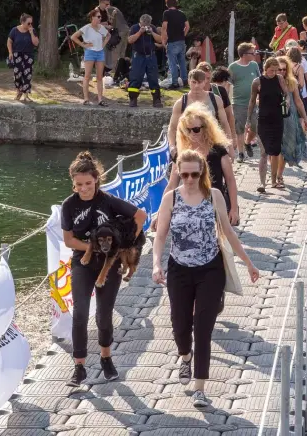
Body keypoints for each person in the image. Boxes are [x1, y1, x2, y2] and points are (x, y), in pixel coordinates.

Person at [152, 148, 258, 408]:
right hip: (179, 269)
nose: (189, 179)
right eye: (184, 174)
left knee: (203, 327)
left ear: (202, 173)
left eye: (194, 174)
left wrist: (248, 262)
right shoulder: (170, 199)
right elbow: (161, 235)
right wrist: (156, 264)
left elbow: (228, 232)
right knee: (179, 324)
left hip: (210, 269)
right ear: (178, 172)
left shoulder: (214, 196)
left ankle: (200, 386)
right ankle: (185, 356)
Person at [62, 151, 147, 386]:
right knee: (79, 313)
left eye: (88, 183)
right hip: (83, 261)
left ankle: (106, 358)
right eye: (79, 184)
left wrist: (128, 242)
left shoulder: (108, 200)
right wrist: (92, 248)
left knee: (104, 314)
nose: (84, 188)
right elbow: (68, 240)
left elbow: (140, 215)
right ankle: (79, 366)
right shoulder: (69, 205)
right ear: (73, 183)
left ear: (96, 180)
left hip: (110, 264)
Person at [161, 104, 239, 226]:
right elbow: (171, 185)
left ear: (205, 128)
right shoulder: (181, 154)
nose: (192, 133)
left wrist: (234, 209)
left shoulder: (218, 152)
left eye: (196, 129)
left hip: (215, 205)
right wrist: (160, 214)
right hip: (189, 208)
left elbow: (230, 181)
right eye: (188, 130)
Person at [167, 69, 235, 160]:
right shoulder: (181, 103)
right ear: (188, 82)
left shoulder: (215, 99)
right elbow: (172, 127)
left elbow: (224, 124)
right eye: (193, 82)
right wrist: (172, 146)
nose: (196, 86)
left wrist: (229, 147)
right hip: (189, 147)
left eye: (199, 82)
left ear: (204, 82)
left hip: (212, 145)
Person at [247, 57, 291, 191]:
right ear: (265, 69)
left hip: (278, 119)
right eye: (271, 70)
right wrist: (248, 119)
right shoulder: (257, 82)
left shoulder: (279, 79)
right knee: (263, 152)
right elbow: (252, 101)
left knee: (276, 151)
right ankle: (262, 183)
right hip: (263, 120)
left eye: (276, 70)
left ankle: (273, 180)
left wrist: (287, 101)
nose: (274, 73)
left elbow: (286, 93)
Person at [277, 57, 307, 186]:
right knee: (275, 148)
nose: (282, 72)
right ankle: (276, 174)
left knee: (286, 147)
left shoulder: (292, 82)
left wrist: (305, 118)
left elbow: (298, 101)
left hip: (289, 118)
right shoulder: (268, 81)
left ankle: (279, 175)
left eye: (284, 69)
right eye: (279, 69)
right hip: (273, 117)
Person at [228, 42, 262, 163]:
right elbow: (228, 84)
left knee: (256, 126)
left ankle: (247, 142)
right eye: (252, 53)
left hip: (254, 102)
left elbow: (260, 80)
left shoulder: (254, 65)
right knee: (239, 128)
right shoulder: (233, 67)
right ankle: (241, 153)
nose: (254, 55)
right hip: (238, 103)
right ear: (243, 54)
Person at [72, 9, 110, 106]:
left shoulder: (101, 28)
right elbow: (73, 37)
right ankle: (86, 99)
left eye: (100, 17)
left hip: (100, 52)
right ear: (92, 17)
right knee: (87, 75)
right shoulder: (86, 28)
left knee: (99, 77)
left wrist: (103, 44)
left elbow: (108, 35)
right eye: (98, 16)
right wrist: (83, 45)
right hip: (90, 52)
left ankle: (100, 99)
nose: (100, 18)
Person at [197, 62, 236, 154]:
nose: (206, 81)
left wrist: (233, 137)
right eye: (203, 78)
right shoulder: (193, 93)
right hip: (198, 135)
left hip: (217, 135)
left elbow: (229, 115)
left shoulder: (219, 91)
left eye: (208, 78)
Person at [126, 14, 163, 108]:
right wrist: (140, 32)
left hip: (151, 56)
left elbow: (160, 40)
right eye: (144, 23)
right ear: (140, 22)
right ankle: (133, 99)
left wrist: (152, 33)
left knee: (153, 78)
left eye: (148, 24)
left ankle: (156, 100)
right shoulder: (134, 28)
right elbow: (130, 40)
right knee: (136, 77)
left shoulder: (152, 28)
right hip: (138, 56)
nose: (146, 25)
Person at [7, 13, 38, 102]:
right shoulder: (14, 30)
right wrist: (10, 53)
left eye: (31, 23)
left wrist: (31, 33)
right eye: (28, 23)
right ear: (23, 22)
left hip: (28, 56)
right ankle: (18, 92)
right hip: (17, 55)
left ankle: (26, 95)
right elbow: (9, 42)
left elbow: (36, 43)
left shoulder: (32, 30)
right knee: (17, 75)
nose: (30, 25)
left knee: (27, 75)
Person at [161, 0, 190, 89]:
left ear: (167, 4)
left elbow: (164, 27)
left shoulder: (166, 13)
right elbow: (188, 26)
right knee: (182, 62)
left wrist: (163, 41)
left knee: (172, 63)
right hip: (181, 41)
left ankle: (175, 83)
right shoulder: (182, 14)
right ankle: (185, 81)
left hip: (172, 41)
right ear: (176, 4)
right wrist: (183, 35)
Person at [98, 0, 129, 71]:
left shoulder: (107, 9)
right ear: (101, 3)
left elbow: (110, 23)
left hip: (119, 32)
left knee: (116, 51)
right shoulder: (100, 10)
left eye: (108, 4)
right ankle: (120, 70)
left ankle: (114, 71)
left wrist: (107, 25)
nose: (107, 6)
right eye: (106, 4)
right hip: (125, 30)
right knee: (121, 52)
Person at [286, 45, 307, 113]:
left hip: (288, 93)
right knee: (302, 115)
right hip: (300, 94)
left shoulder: (285, 65)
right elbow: (302, 83)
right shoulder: (300, 67)